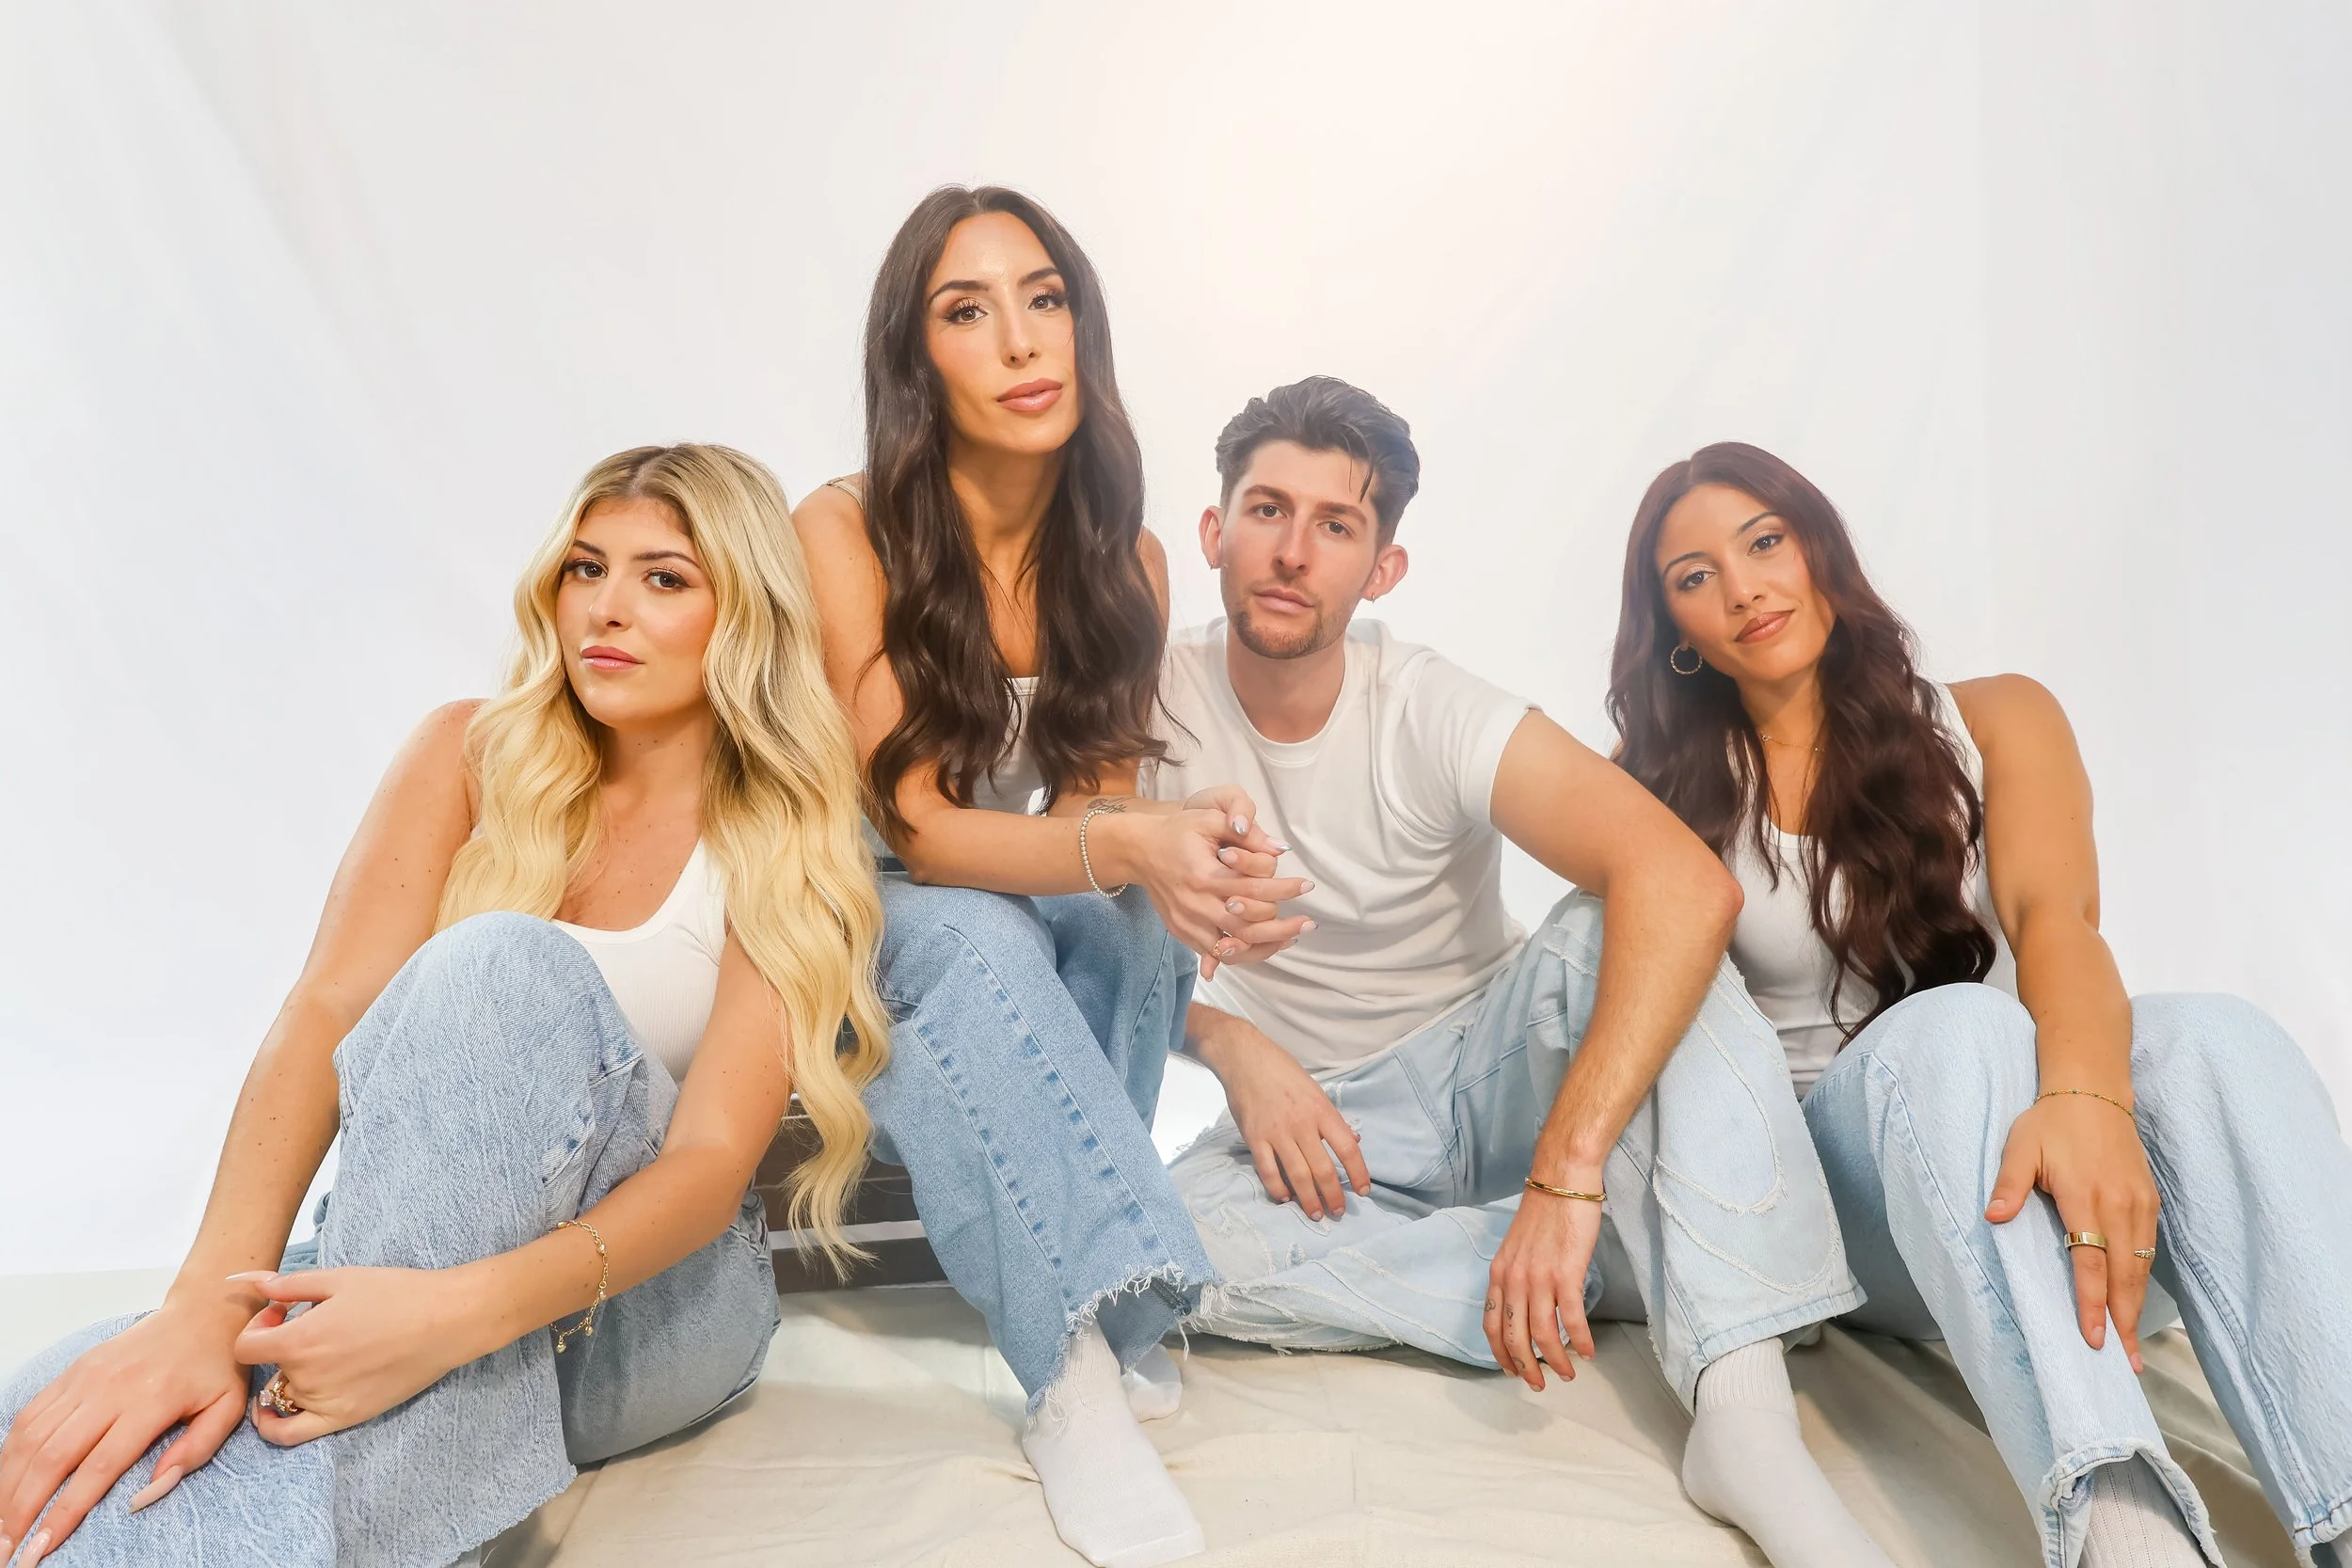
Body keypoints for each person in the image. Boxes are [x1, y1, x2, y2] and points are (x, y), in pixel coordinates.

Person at [0, 445, 891, 1567]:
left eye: (665, 578)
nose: (606, 609)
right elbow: (325, 1009)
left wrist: (447, 1320)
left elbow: (713, 1162)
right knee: (42, 1419)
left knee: (498, 968)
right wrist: (198, 1311)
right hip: (397, 1257)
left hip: (646, 1312)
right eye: (584, 568)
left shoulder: (785, 828)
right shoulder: (469, 757)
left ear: (745, 612)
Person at [1147, 377, 1899, 1568]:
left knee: (1617, 923)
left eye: (1336, 526)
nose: (1292, 554)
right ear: (1212, 530)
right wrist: (1227, 1042)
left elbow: (1681, 881)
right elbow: (1065, 922)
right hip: (1326, 1129)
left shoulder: (1428, 703)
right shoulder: (1146, 705)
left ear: (1380, 568)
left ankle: (1747, 1428)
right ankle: (1685, 1261)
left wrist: (1562, 1171)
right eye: (1266, 510)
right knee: (1150, 1249)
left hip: (1493, 1063)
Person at [1610, 440, 2352, 1568]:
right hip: (1849, 1208)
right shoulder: (1653, 795)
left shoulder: (1997, 716)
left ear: (1817, 547)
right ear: (1671, 628)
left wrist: (2088, 1099)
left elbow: (2059, 923)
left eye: (1763, 541)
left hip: (2024, 1165)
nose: (1745, 585)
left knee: (2212, 1035)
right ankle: (2125, 1534)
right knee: (1955, 1025)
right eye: (1694, 573)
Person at [791, 185, 1302, 1568]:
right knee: (979, 928)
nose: (1023, 340)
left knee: (1132, 915)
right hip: (861, 927)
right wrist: (1126, 834)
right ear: (919, 360)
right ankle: (1079, 1367)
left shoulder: (1124, 554)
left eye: (1045, 298)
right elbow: (916, 830)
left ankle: (1094, 1295)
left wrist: (1190, 862)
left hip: (999, 919)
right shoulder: (844, 529)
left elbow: (1088, 817)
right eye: (969, 311)